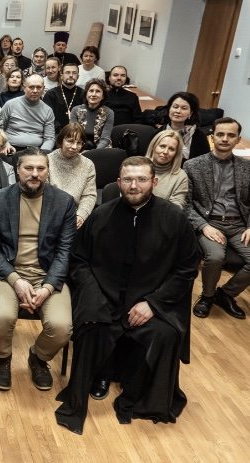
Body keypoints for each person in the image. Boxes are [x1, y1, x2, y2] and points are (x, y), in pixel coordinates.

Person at [55, 156, 199, 435]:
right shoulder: (101, 215)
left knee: (165, 334)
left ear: (154, 182)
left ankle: (140, 390)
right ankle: (100, 375)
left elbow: (186, 269)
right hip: (105, 297)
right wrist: (95, 296)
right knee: (93, 324)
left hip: (152, 300)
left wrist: (153, 304)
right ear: (118, 182)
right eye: (128, 180)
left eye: (141, 179)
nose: (134, 186)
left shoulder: (174, 218)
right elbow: (79, 261)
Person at [0, 148, 75, 391]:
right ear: (17, 170)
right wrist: (16, 280)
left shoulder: (64, 202)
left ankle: (38, 357)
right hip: (7, 273)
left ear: (47, 171)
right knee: (1, 317)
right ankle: (2, 358)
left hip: (47, 275)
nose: (35, 173)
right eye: (29, 168)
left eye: (41, 168)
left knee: (61, 327)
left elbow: (65, 251)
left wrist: (48, 287)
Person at [185, 117, 250, 320]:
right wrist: (203, 226)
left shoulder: (247, 167)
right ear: (212, 137)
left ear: (238, 139)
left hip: (239, 224)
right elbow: (186, 205)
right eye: (220, 134)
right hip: (210, 222)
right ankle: (207, 297)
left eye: (231, 135)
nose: (225, 139)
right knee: (215, 257)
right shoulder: (193, 165)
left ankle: (226, 294)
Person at [48, 123, 97, 228]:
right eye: (70, 141)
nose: (74, 147)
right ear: (61, 140)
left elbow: (89, 195)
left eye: (79, 143)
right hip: (51, 214)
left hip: (75, 213)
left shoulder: (88, 165)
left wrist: (81, 215)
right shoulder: (47, 161)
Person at [1, 75, 56, 152]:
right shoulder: (10, 105)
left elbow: (49, 138)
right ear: (24, 88)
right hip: (11, 148)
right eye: (31, 87)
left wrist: (41, 153)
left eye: (39, 87)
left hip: (36, 150)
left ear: (43, 88)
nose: (35, 91)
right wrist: (5, 144)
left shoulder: (48, 110)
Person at [144, 129, 188, 208]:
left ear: (176, 153)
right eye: (162, 146)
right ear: (153, 146)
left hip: (162, 215)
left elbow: (177, 207)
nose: (165, 152)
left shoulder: (180, 176)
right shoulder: (137, 167)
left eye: (171, 149)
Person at [161, 92, 210, 161]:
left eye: (184, 108)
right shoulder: (159, 132)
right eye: (175, 107)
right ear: (169, 109)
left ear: (191, 113)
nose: (178, 111)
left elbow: (204, 163)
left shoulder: (199, 136)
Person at [70, 79, 115, 149]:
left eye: (98, 91)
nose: (93, 94)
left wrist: (93, 153)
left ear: (103, 96)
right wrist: (80, 150)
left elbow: (105, 139)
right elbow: (73, 135)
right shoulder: (75, 110)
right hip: (78, 147)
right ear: (86, 93)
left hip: (101, 149)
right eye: (91, 91)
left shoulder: (109, 112)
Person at [43, 62, 84, 135]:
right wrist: (61, 132)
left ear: (78, 76)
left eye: (74, 73)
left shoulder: (84, 94)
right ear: (61, 76)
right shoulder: (51, 94)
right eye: (67, 72)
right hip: (56, 133)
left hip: (78, 134)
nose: (71, 75)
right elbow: (47, 117)